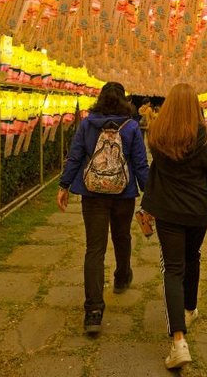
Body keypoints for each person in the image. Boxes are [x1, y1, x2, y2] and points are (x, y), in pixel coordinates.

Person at [57, 82, 149, 335]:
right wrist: (148, 194)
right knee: (122, 236)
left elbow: (75, 155)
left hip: (93, 193)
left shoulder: (88, 124)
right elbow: (140, 163)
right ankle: (122, 276)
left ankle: (94, 311)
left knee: (94, 249)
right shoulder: (131, 126)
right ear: (124, 101)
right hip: (123, 193)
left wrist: (64, 185)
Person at [140, 83, 207, 370]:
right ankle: (189, 308)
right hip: (198, 208)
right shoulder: (204, 134)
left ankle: (178, 341)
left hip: (169, 209)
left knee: (173, 268)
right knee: (192, 256)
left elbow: (157, 167)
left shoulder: (158, 134)